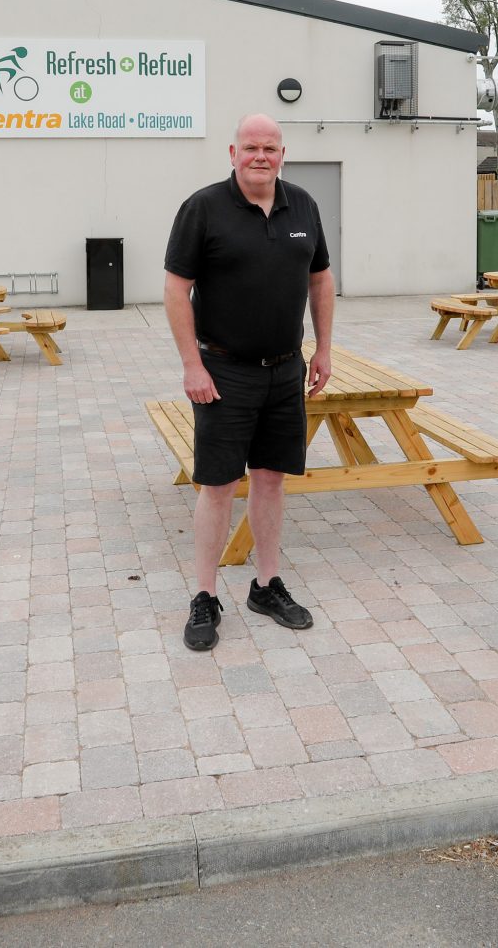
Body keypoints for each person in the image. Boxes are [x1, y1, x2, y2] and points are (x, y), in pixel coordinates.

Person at [164, 113, 335, 651]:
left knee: (270, 480)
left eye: (271, 148)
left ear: (283, 154)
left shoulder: (303, 205)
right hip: (223, 373)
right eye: (251, 147)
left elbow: (320, 279)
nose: (261, 156)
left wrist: (323, 349)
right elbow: (175, 289)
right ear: (232, 152)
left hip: (286, 369)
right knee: (217, 485)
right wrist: (192, 365)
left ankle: (265, 585)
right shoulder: (203, 208)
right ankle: (205, 595)